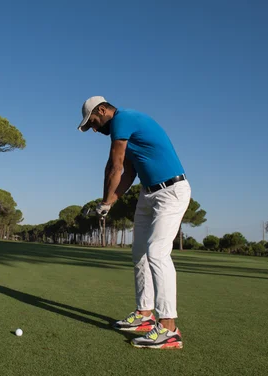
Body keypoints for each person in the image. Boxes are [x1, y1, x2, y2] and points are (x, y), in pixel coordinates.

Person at [77, 96, 191, 349]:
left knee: (157, 252)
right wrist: (108, 204)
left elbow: (114, 166)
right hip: (148, 193)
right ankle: (144, 315)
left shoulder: (122, 120)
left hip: (171, 191)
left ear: (103, 109)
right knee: (139, 252)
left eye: (93, 122)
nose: (94, 129)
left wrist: (105, 200)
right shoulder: (124, 129)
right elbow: (128, 172)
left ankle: (170, 329)